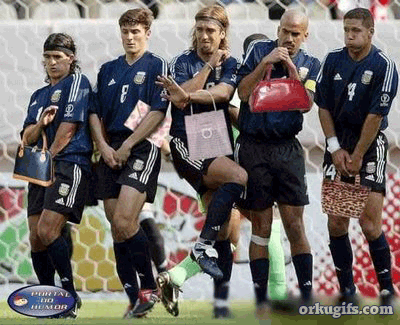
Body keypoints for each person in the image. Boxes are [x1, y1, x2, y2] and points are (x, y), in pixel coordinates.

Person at [155, 4, 247, 319]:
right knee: (238, 178)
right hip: (187, 139)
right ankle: (198, 249)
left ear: (223, 34)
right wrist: (207, 66)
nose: (205, 36)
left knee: (223, 231)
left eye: (211, 31)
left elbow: (223, 93)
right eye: (201, 30)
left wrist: (187, 95)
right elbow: (181, 99)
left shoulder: (233, 62)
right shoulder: (181, 61)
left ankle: (219, 305)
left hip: (217, 141)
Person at [236, 9, 320, 316]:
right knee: (261, 226)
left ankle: (307, 297)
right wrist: (265, 64)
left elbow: (306, 104)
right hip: (254, 147)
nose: (288, 37)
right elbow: (244, 93)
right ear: (279, 29)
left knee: (295, 225)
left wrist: (290, 67)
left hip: (287, 149)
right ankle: (261, 302)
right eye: (285, 31)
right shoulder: (258, 50)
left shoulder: (312, 64)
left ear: (305, 35)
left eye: (295, 33)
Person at [88, 8, 169, 319]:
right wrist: (104, 146)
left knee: (124, 221)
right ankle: (136, 301)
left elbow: (158, 111)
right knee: (118, 230)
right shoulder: (108, 70)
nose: (130, 37)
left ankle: (151, 286)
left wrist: (127, 145)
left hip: (139, 148)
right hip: (110, 152)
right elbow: (95, 113)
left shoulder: (156, 65)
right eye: (126, 32)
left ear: (147, 33)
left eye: (136, 32)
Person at [315, 8, 398, 307]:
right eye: (347, 30)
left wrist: (359, 154)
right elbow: (322, 105)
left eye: (356, 31)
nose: (350, 36)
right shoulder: (333, 59)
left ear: (371, 32)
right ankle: (347, 292)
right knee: (337, 223)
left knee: (369, 223)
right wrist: (335, 148)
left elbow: (377, 115)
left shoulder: (383, 66)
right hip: (338, 145)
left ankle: (387, 291)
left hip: (369, 145)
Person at [21, 33, 93, 318]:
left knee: (49, 230)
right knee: (36, 238)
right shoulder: (37, 97)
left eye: (57, 57)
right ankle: (48, 300)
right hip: (38, 166)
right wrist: (40, 123)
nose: (51, 62)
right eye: (48, 57)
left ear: (70, 59)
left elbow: (69, 129)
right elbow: (27, 137)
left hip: (68, 163)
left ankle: (69, 296)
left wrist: (48, 155)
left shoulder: (77, 82)